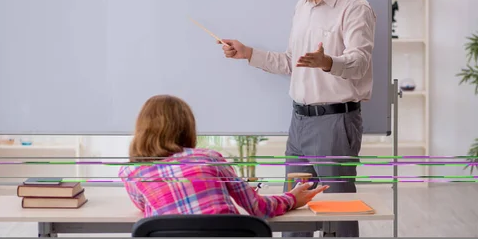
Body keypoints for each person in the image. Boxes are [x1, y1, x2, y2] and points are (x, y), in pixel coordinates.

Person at [218, 0, 376, 237]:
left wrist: (328, 62)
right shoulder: (302, 7)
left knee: (338, 210)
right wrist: (247, 53)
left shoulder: (354, 7)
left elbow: (360, 64)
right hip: (299, 122)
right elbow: (292, 63)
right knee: (293, 210)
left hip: (335, 121)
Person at [118, 94, 327, 219]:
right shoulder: (209, 158)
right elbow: (257, 208)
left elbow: (147, 208)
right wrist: (292, 198)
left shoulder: (131, 173)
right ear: (186, 127)